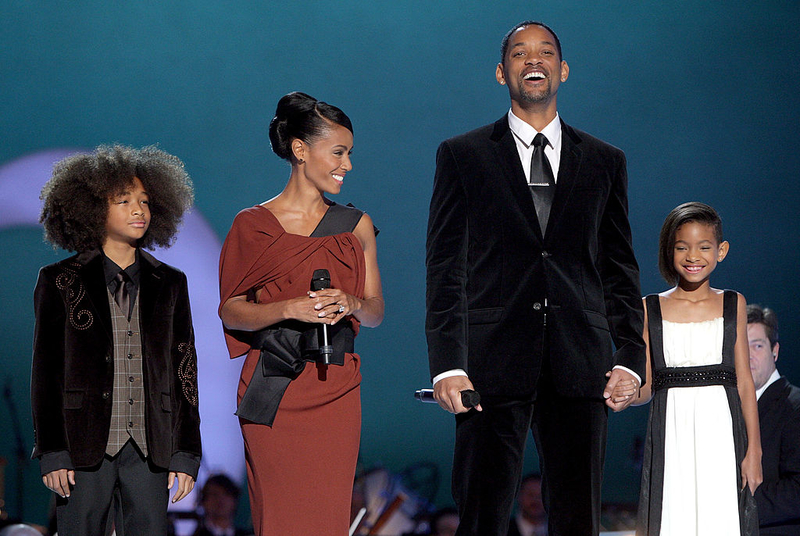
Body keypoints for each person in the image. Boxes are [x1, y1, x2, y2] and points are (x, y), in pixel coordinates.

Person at [425, 20, 646, 536]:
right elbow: (444, 266)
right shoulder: (463, 154)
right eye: (520, 53)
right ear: (501, 72)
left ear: (563, 70)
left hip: (580, 359)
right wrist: (446, 366)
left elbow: (618, 267)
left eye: (545, 52)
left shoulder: (604, 160)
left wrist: (631, 357)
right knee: (481, 512)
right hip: (489, 361)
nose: (534, 60)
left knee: (577, 516)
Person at [218, 91, 384, 535]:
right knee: (277, 518)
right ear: (300, 150)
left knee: (328, 518)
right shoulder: (252, 225)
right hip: (274, 385)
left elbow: (375, 312)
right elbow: (232, 312)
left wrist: (351, 303)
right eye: (338, 152)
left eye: (349, 153)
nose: (347, 164)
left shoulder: (356, 225)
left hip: (336, 387)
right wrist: (291, 308)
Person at [31, 145, 201, 535]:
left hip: (150, 450)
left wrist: (186, 454)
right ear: (91, 209)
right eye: (124, 201)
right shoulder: (60, 279)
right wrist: (53, 452)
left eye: (144, 201)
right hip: (81, 448)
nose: (139, 210)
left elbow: (184, 371)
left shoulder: (171, 282)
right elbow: (46, 371)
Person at [629, 202, 761, 535]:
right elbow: (645, 386)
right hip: (671, 432)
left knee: (723, 517)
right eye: (682, 247)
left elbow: (744, 382)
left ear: (721, 251)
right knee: (676, 515)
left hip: (722, 433)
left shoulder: (734, 303)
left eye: (704, 247)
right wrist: (627, 390)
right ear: (669, 251)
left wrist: (754, 451)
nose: (693, 256)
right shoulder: (651, 307)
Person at [747, 304, 800, 534]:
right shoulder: (725, 410)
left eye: (757, 345)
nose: (748, 355)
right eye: (740, 346)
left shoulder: (795, 406)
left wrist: (735, 506)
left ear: (775, 351)